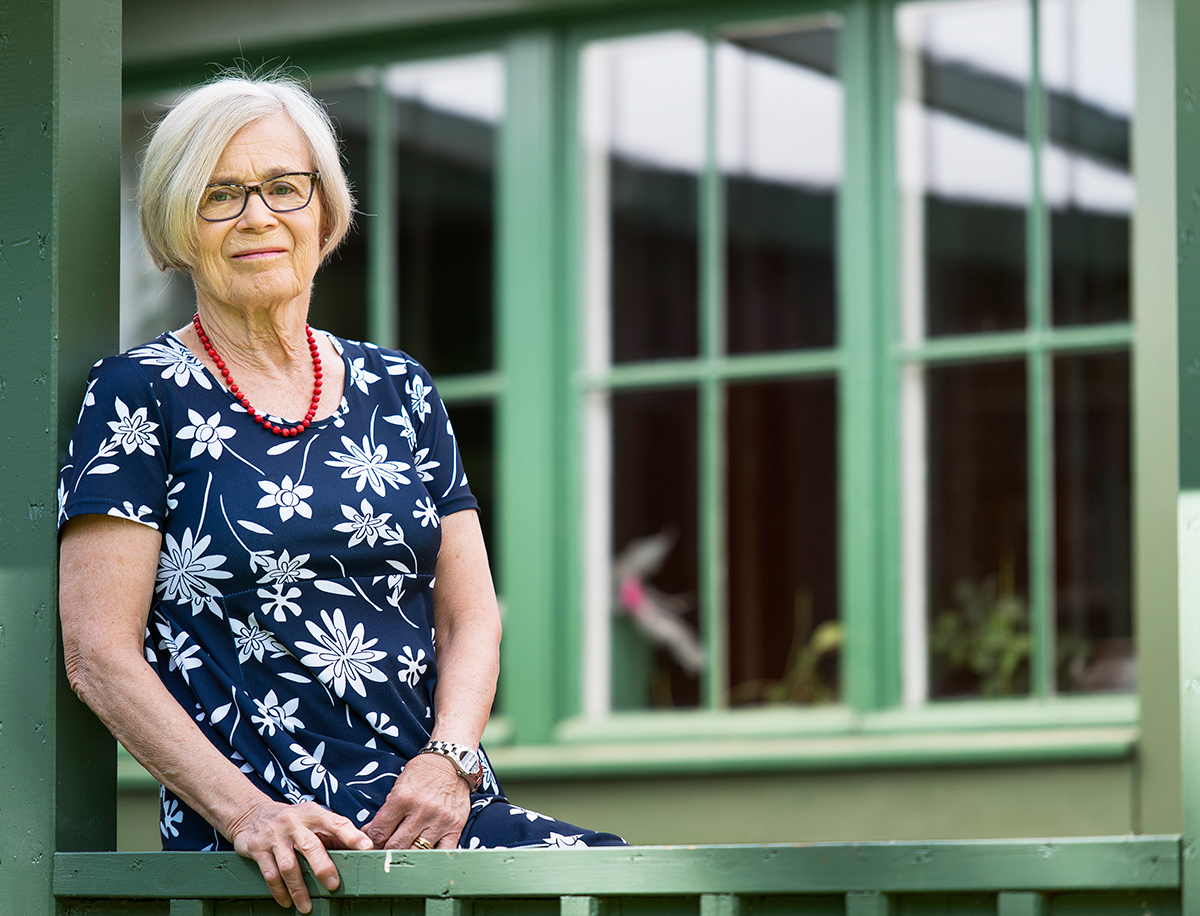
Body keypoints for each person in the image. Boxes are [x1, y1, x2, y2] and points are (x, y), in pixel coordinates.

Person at [57, 73, 624, 915]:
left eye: (285, 186)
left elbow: (472, 617)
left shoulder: (399, 386)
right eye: (220, 196)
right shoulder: (139, 393)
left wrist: (449, 761)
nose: (258, 215)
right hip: (270, 846)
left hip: (434, 809)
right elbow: (99, 656)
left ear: (325, 208)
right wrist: (248, 814)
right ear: (178, 223)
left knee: (610, 881)